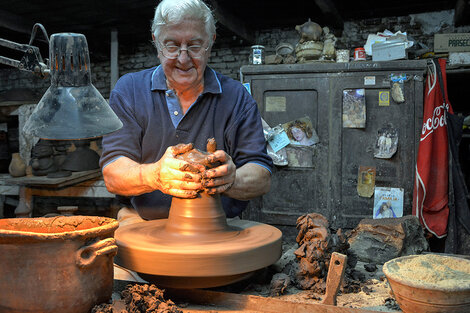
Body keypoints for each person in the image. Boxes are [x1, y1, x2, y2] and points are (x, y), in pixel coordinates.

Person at [99, 0, 273, 221]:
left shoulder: (237, 97)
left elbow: (262, 176)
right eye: (171, 45)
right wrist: (155, 176)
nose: (183, 58)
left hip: (219, 225)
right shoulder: (129, 91)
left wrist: (231, 180)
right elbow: (113, 174)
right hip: (143, 222)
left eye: (194, 46)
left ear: (211, 42)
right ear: (156, 43)